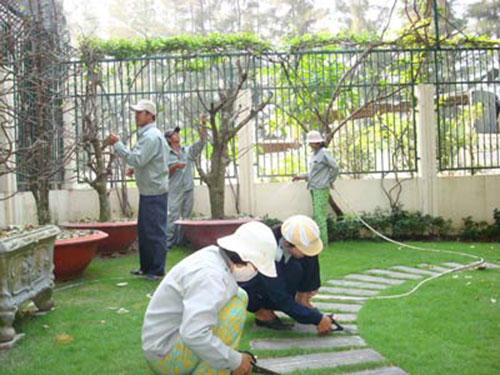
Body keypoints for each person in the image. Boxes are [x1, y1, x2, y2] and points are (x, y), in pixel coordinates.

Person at [142, 221, 278, 375]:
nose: (256, 272)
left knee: (239, 296)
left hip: (167, 344)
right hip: (164, 356)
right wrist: (234, 360)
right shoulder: (210, 277)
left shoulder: (215, 258)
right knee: (235, 309)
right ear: (245, 259)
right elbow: (194, 333)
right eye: (257, 267)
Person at [107, 99, 170, 281]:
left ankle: (157, 271)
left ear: (150, 115)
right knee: (145, 231)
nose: (136, 115)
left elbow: (137, 158)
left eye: (140, 112)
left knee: (155, 232)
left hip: (154, 191)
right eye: (136, 112)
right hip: (150, 190)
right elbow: (152, 160)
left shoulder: (151, 136)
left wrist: (117, 144)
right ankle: (146, 267)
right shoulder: (150, 135)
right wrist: (137, 169)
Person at [238, 215, 334, 335]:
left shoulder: (293, 241)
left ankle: (301, 301)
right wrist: (317, 319)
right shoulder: (267, 250)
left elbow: (309, 258)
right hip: (249, 285)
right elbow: (280, 297)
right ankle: (262, 312)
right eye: (303, 249)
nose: (308, 253)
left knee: (304, 259)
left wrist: (305, 295)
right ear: (287, 243)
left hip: (276, 272)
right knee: (264, 287)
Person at [292, 130, 338, 305]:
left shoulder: (325, 153)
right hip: (314, 187)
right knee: (317, 217)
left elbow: (335, 168)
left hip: (321, 188)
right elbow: (313, 174)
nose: (310, 144)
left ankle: (322, 245)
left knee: (320, 218)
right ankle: (321, 243)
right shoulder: (315, 155)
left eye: (313, 142)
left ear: (319, 142)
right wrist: (300, 176)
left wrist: (329, 180)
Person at [165, 116, 207, 248]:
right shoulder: (165, 155)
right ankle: (168, 242)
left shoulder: (187, 151)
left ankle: (181, 241)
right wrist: (174, 167)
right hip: (174, 189)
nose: (177, 134)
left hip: (188, 188)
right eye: (174, 133)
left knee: (186, 216)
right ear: (169, 139)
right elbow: (163, 174)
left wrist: (203, 125)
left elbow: (201, 143)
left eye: (177, 132)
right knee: (172, 216)